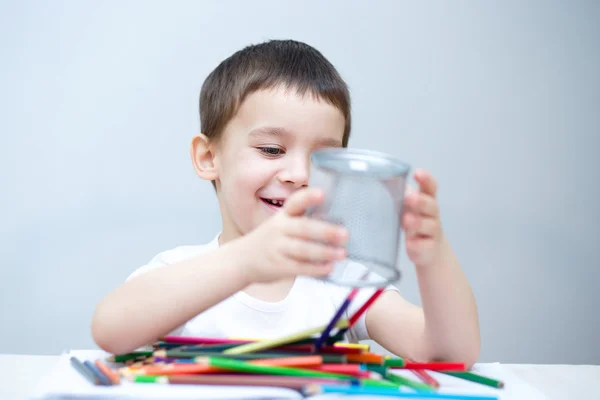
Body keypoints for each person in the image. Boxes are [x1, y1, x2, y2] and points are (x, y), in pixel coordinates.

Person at [91, 39, 480, 367]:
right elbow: (110, 330)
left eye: (321, 158)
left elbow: (449, 354)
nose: (299, 173)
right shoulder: (180, 272)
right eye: (272, 149)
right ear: (209, 158)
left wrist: (433, 258)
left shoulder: (344, 281)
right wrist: (247, 260)